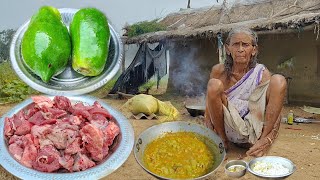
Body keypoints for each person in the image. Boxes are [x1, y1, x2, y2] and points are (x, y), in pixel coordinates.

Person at [204, 26, 287, 157]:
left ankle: (259, 143)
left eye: (245, 45)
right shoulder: (218, 71)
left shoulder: (261, 73)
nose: (240, 49)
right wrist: (210, 130)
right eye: (236, 44)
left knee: (279, 80)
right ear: (228, 49)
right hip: (227, 129)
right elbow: (209, 106)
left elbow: (276, 111)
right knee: (213, 85)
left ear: (254, 50)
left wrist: (268, 139)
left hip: (253, 133)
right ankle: (223, 140)